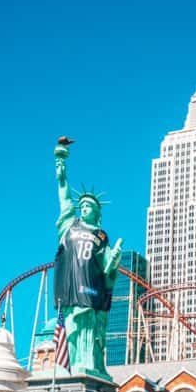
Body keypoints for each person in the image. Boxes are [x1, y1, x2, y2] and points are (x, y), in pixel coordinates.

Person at [53, 141, 123, 379]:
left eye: (88, 206)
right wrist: (61, 166)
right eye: (81, 205)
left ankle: (91, 365)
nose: (83, 209)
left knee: (93, 332)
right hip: (72, 287)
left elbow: (107, 269)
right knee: (73, 328)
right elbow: (63, 194)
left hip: (92, 289)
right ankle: (71, 366)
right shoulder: (69, 225)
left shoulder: (101, 236)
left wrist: (113, 261)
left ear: (96, 211)